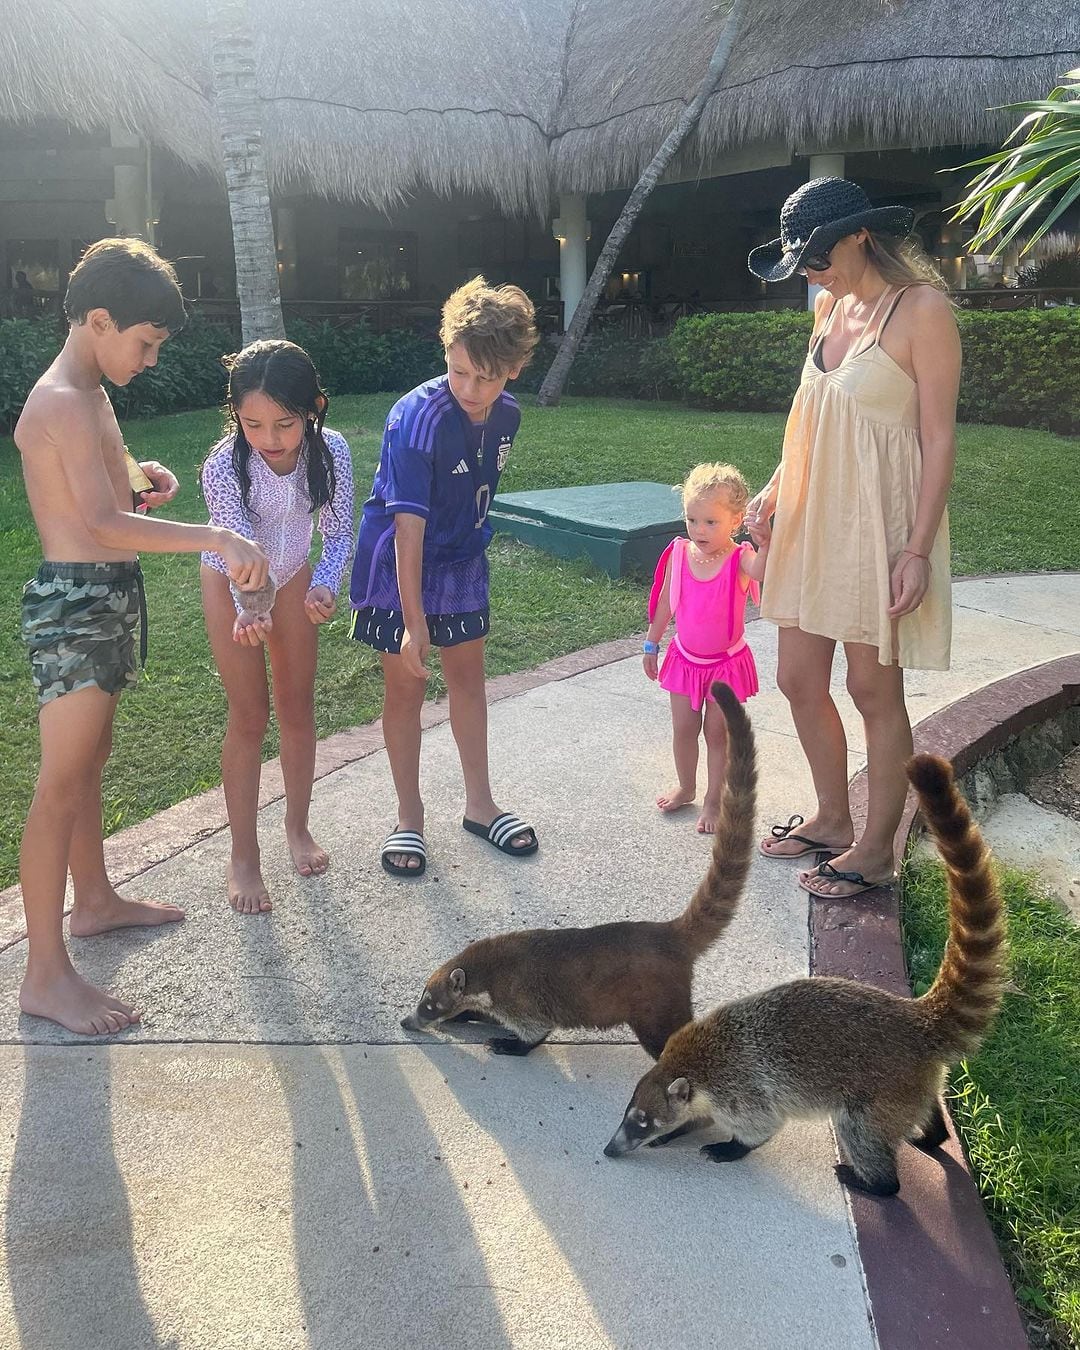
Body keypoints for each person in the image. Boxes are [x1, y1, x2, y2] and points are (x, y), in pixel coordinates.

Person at [14, 237, 269, 1036]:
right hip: (76, 604)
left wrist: (141, 474)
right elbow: (89, 521)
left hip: (108, 595)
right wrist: (218, 538)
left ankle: (92, 902)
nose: (152, 359)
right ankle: (44, 975)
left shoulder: (91, 391)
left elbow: (101, 489)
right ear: (98, 320)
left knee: (92, 762)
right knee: (59, 784)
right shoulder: (58, 398)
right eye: (146, 343)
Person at [746, 177, 961, 898]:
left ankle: (875, 851)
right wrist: (774, 492)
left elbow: (938, 441)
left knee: (873, 688)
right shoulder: (830, 306)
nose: (808, 273)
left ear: (861, 235)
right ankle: (833, 817)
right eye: (799, 263)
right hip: (813, 519)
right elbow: (810, 419)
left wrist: (918, 549)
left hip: (879, 524)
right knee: (798, 678)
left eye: (815, 257)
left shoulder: (923, 311)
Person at [349, 276, 540, 878]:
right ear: (447, 356)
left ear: (514, 368)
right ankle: (408, 816)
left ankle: (480, 805)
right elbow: (407, 529)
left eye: (487, 376)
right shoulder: (417, 417)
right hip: (400, 564)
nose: (472, 389)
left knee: (469, 681)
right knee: (405, 687)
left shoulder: (506, 413)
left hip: (460, 559)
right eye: (460, 372)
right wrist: (412, 621)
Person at [200, 340, 355, 914]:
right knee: (249, 717)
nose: (268, 438)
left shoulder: (331, 452)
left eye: (284, 423)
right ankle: (244, 855)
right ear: (235, 415)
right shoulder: (224, 465)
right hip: (232, 581)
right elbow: (238, 546)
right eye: (252, 423)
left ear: (313, 408)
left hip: (293, 578)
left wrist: (326, 585)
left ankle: (297, 828)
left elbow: (339, 532)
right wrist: (251, 607)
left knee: (297, 708)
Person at [643, 463, 766, 834]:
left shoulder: (739, 558)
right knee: (683, 728)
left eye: (711, 522)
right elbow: (666, 602)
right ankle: (686, 785)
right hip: (684, 659)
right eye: (692, 520)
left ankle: (714, 800)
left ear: (736, 520)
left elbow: (761, 571)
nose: (699, 530)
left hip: (724, 666)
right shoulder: (681, 554)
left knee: (717, 735)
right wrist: (652, 642)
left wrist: (769, 541)